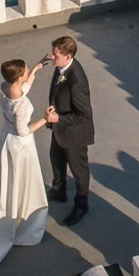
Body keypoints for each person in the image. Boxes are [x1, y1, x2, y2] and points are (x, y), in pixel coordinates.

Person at [0, 57, 50, 264]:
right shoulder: (22, 107)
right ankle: (22, 225)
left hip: (5, 139)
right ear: (19, 77)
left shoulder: (5, 87)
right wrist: (45, 119)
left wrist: (36, 69)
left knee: (4, 181)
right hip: (21, 146)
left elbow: (22, 89)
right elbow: (23, 131)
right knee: (23, 182)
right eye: (26, 70)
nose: (28, 72)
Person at [43, 35, 94, 224]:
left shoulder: (76, 81)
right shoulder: (62, 67)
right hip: (60, 128)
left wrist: (59, 118)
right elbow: (55, 90)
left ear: (68, 56)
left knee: (79, 170)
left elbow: (85, 115)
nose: (52, 57)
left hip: (75, 134)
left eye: (56, 55)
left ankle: (82, 204)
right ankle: (59, 190)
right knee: (56, 158)